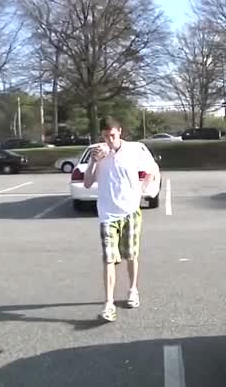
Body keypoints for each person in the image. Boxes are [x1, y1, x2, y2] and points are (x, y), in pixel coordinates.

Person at [83, 117, 157, 322]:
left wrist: (141, 189)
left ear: (120, 132)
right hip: (107, 215)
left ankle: (133, 290)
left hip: (130, 212)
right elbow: (87, 183)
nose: (109, 140)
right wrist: (93, 162)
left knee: (131, 255)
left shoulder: (133, 150)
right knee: (109, 259)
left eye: (113, 135)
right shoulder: (98, 153)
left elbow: (152, 169)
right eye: (105, 136)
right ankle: (109, 304)